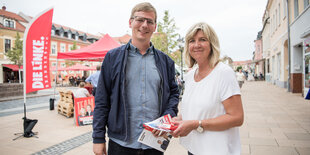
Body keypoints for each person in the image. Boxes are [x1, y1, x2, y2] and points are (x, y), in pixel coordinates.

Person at [92, 2, 179, 155]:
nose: (144, 25)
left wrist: (168, 116)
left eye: (150, 21)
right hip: (120, 143)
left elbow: (173, 93)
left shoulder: (166, 62)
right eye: (140, 19)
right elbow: (101, 99)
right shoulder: (113, 58)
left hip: (154, 142)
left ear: (155, 26)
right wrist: (98, 138)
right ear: (130, 22)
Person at [171, 22, 244, 155]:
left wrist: (196, 124)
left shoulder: (223, 73)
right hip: (194, 149)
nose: (196, 45)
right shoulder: (191, 74)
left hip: (217, 150)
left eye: (202, 40)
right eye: (192, 41)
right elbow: (197, 108)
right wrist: (180, 119)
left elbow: (237, 117)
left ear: (212, 44)